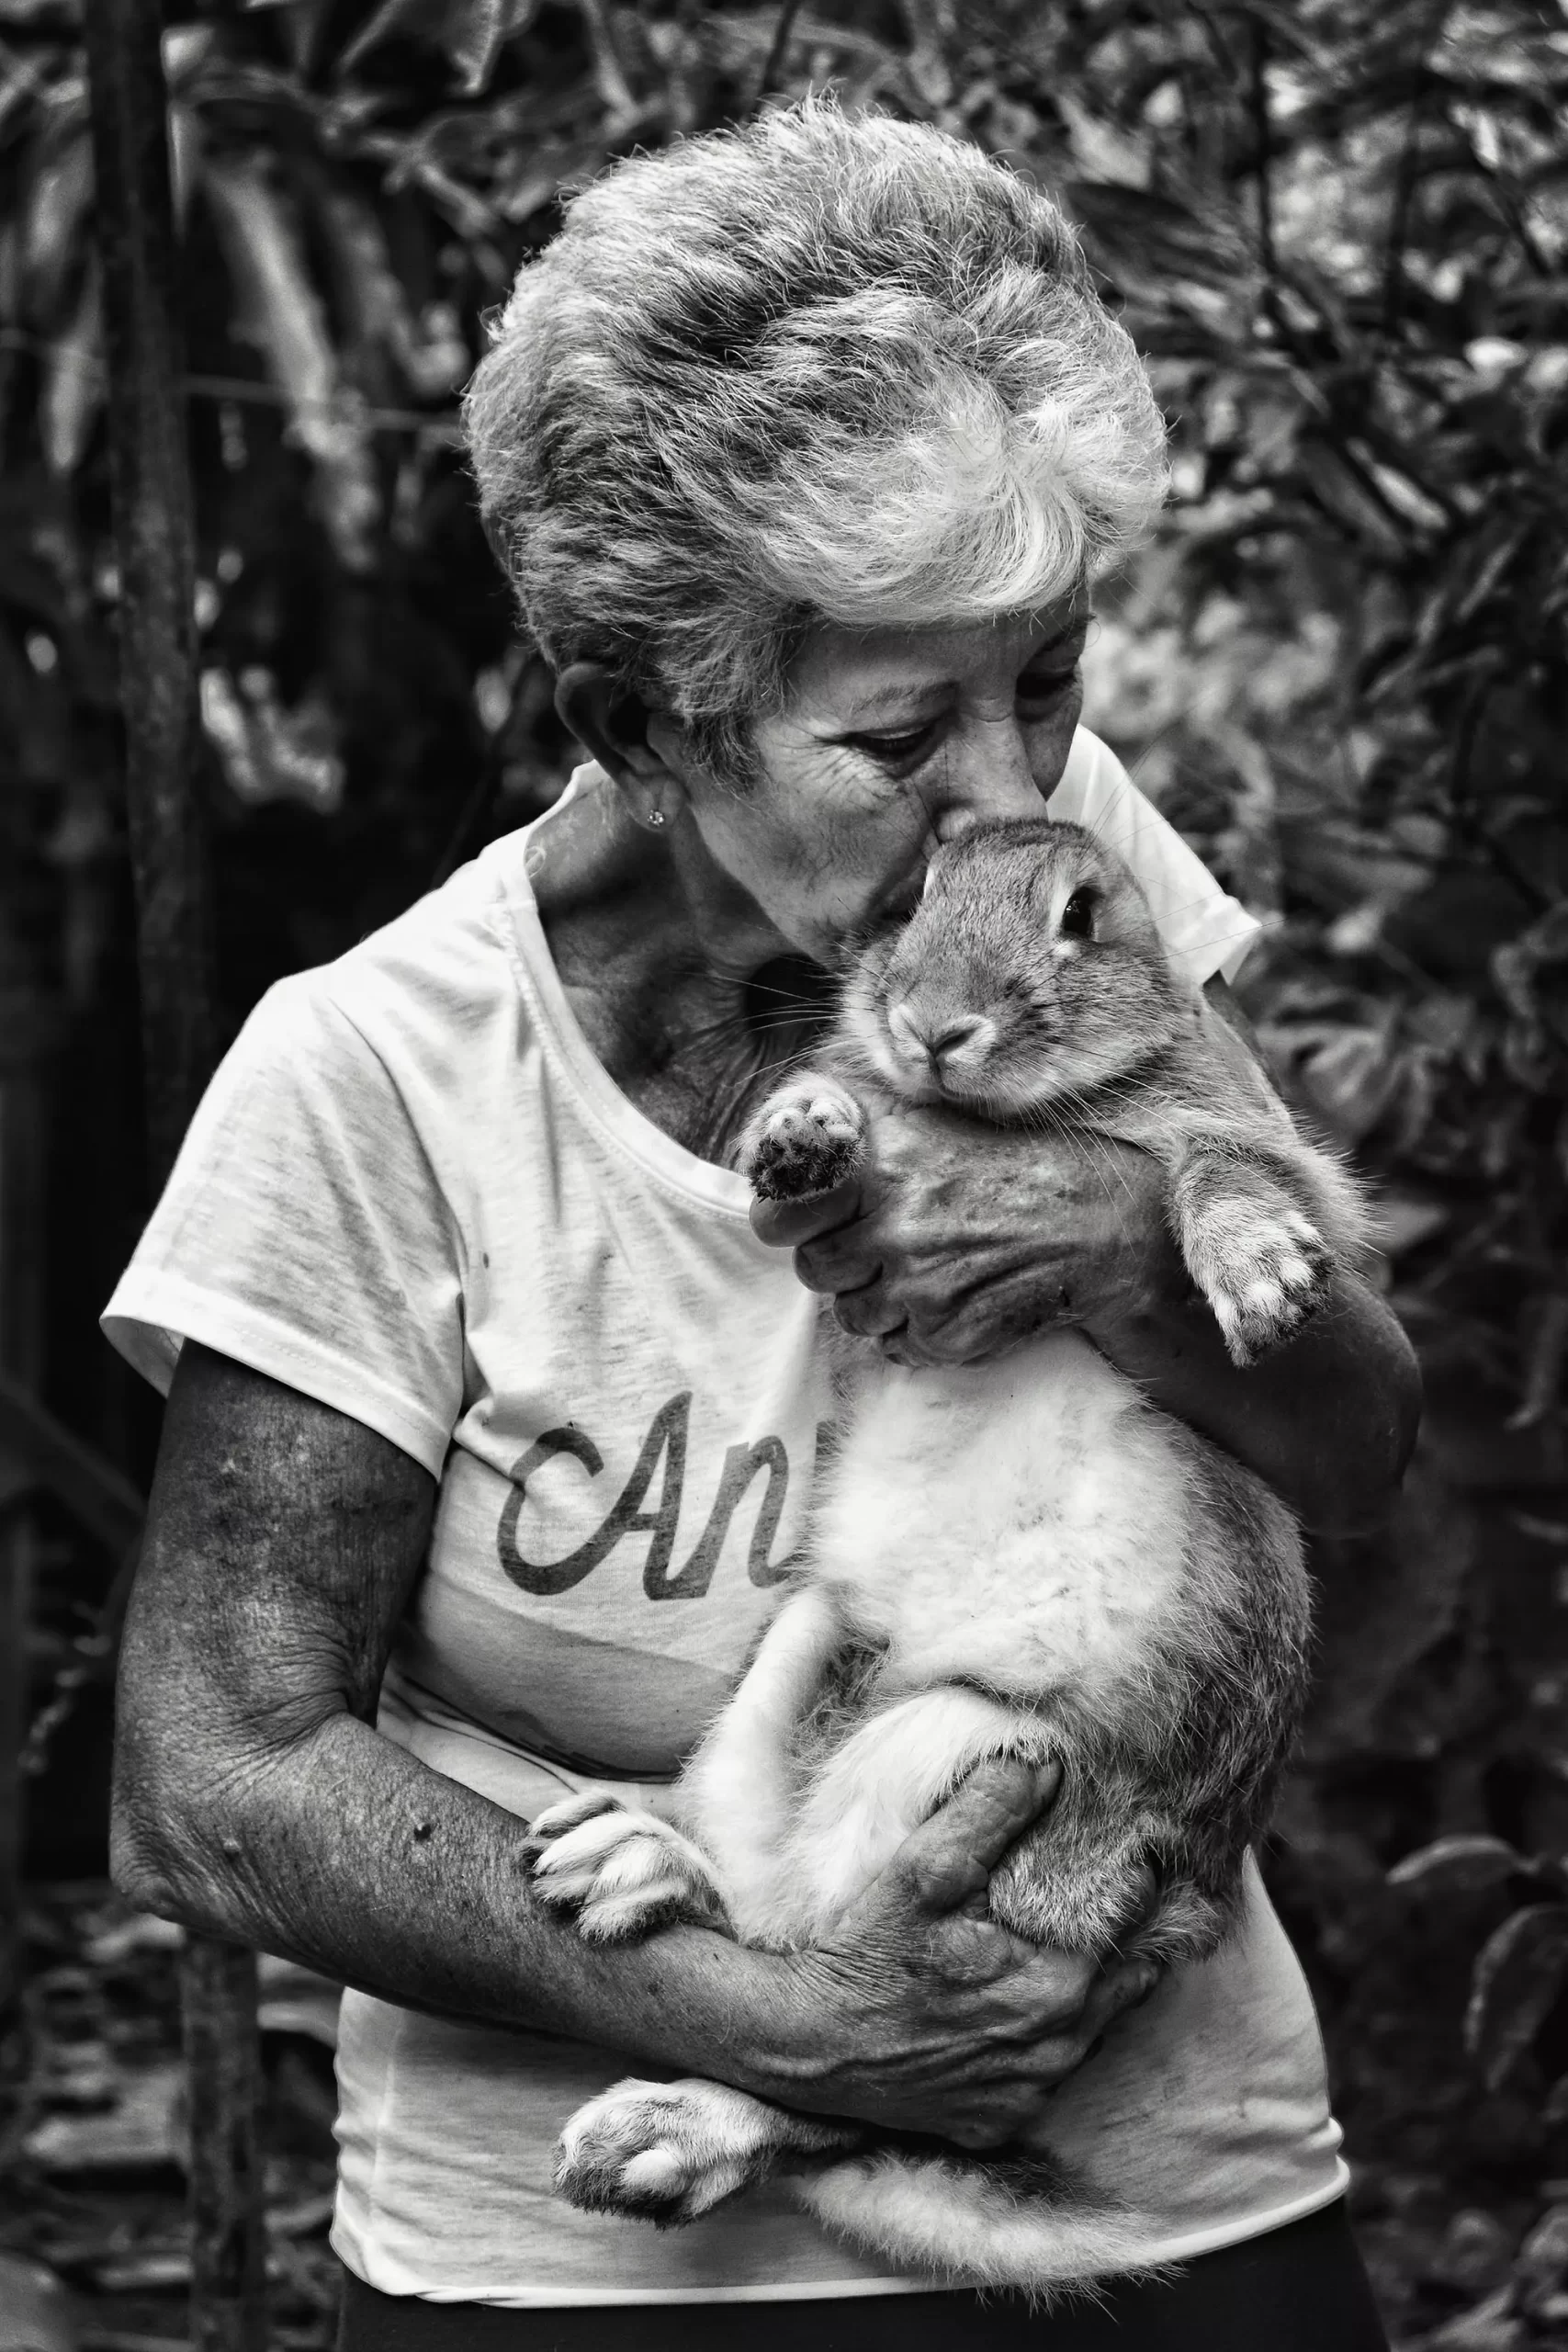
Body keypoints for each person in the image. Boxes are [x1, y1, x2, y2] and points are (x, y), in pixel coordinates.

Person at [105, 102, 1416, 2349]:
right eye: (898, 736)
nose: (1003, 791)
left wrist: (1128, 1237)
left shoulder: (1048, 877)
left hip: (1148, 2205)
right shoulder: (380, 1070)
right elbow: (211, 1782)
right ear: (643, 720)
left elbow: (1352, 1444)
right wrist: (780, 2018)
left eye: (1047, 681)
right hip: (575, 2258)